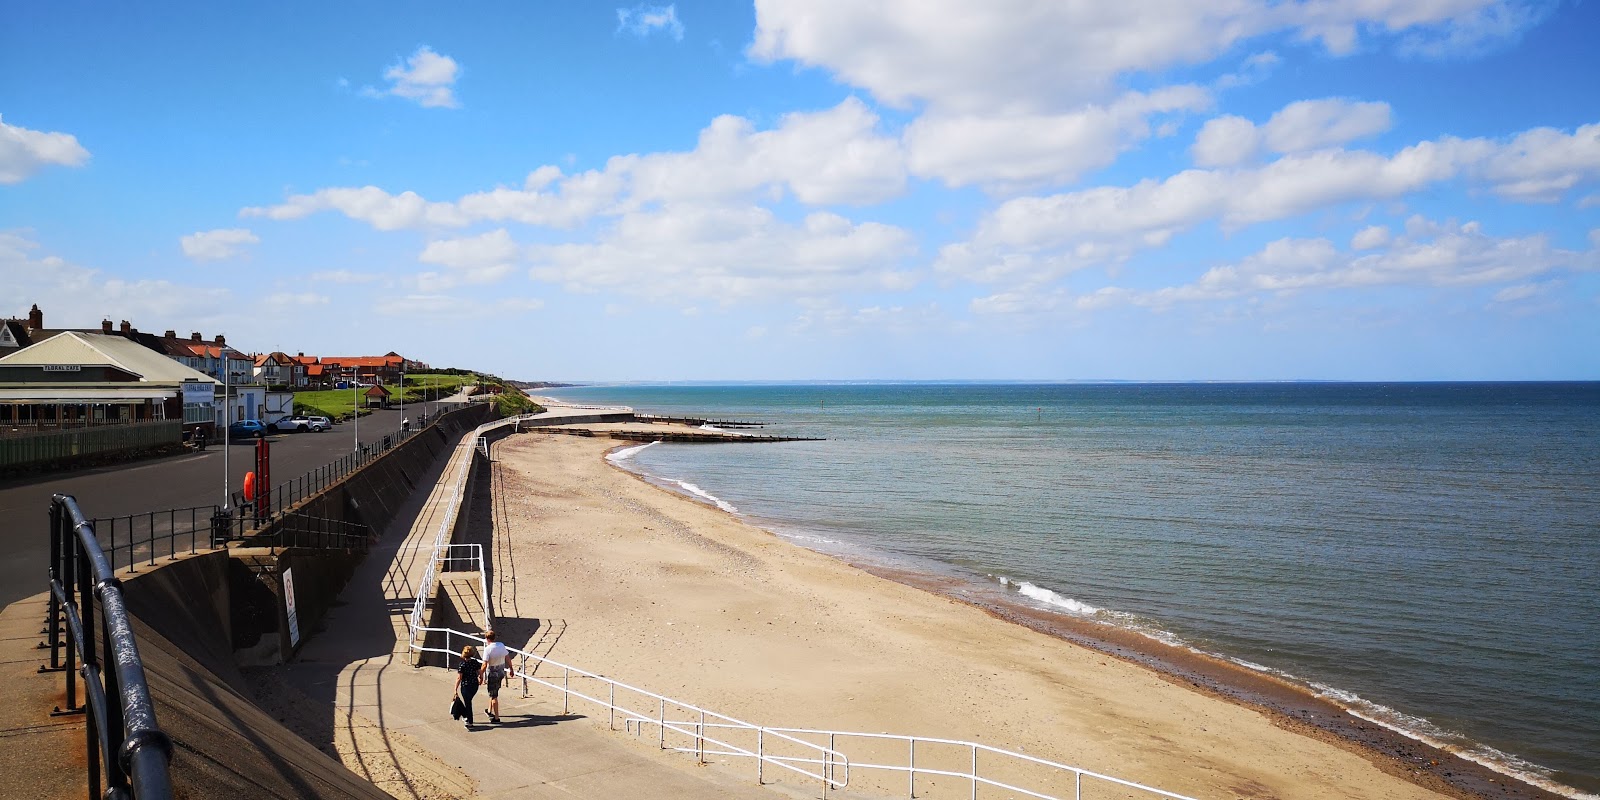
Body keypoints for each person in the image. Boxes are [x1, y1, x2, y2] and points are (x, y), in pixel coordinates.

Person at [480, 630, 513, 723]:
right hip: (501, 672)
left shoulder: (488, 649)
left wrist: (480, 674)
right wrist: (511, 668)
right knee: (494, 691)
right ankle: (489, 710)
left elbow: (484, 664)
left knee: (494, 695)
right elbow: (507, 658)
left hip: (493, 674)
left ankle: (496, 717)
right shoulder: (501, 645)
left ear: (487, 639)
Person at [454, 645, 483, 729]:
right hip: (474, 685)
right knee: (468, 701)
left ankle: (469, 720)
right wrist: (481, 679)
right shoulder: (475, 662)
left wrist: (455, 689)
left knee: (468, 703)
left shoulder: (462, 665)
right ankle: (466, 717)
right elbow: (480, 672)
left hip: (465, 686)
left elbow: (459, 677)